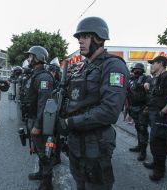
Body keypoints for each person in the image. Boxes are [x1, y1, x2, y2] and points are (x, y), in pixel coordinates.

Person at [59, 17, 130, 190]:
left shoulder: (113, 66)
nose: (80, 41)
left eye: (85, 36)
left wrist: (70, 122)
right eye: (78, 38)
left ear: (98, 38)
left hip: (96, 145)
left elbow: (110, 111)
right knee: (80, 184)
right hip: (76, 142)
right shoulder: (82, 67)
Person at [143, 56, 167, 181]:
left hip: (161, 116)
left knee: (159, 142)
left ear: (161, 64)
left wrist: (163, 112)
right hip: (154, 114)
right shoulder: (157, 79)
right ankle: (156, 163)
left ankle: (159, 170)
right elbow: (155, 96)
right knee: (154, 141)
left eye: (153, 63)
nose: (151, 65)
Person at [24, 46, 55, 190]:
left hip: (40, 122)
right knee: (38, 149)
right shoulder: (35, 75)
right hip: (32, 118)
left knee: (45, 154)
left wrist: (37, 125)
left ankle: (47, 184)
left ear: (38, 57)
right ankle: (41, 174)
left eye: (30, 56)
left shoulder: (44, 77)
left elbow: (44, 104)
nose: (28, 59)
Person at [127, 62, 150, 161]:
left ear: (142, 71)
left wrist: (147, 84)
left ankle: (143, 152)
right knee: (138, 128)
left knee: (142, 129)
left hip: (142, 108)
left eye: (138, 69)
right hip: (133, 108)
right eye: (135, 69)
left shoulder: (146, 78)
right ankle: (139, 146)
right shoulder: (131, 80)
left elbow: (148, 84)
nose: (137, 71)